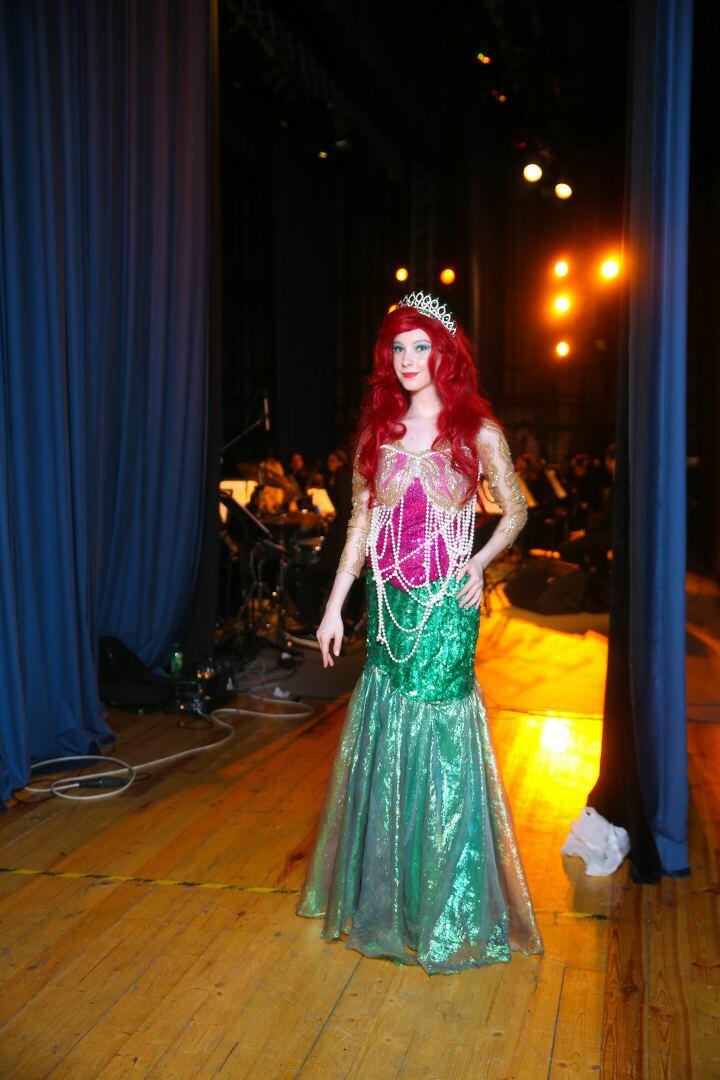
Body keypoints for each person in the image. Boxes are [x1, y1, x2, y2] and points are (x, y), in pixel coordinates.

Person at [296, 290, 544, 975]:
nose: (408, 359)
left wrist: (479, 563)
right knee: (387, 733)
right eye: (398, 348)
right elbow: (360, 526)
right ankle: (388, 899)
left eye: (421, 346)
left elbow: (517, 512)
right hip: (387, 607)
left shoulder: (477, 433)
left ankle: (446, 907)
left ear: (446, 353)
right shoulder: (378, 434)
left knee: (439, 744)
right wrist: (334, 606)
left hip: (446, 609)